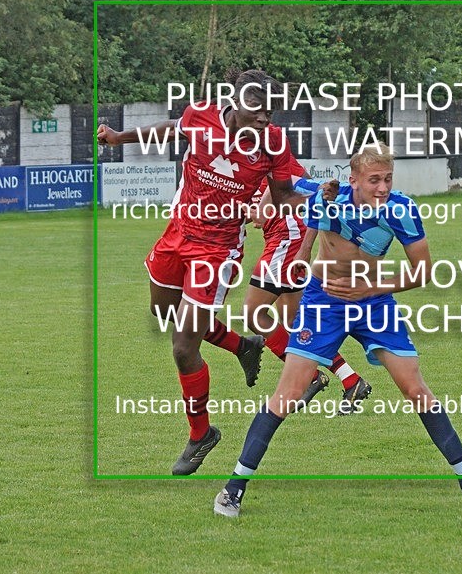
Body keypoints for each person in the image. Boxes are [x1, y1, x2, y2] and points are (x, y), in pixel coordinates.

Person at [213, 148, 462, 517]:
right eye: (374, 180)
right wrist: (266, 212)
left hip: (374, 303)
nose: (382, 187)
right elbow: (281, 182)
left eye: (387, 179)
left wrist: (372, 289)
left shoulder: (401, 210)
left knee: (415, 389)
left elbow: (423, 272)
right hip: (324, 302)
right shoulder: (327, 193)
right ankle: (233, 489)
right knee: (287, 394)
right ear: (354, 180)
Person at [97, 68, 324, 475]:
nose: (265, 119)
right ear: (234, 103)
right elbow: (171, 128)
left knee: (184, 346)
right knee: (163, 311)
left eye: (271, 111)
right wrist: (119, 138)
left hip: (216, 251)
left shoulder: (272, 143)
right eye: (257, 109)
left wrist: (317, 196)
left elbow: (289, 189)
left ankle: (200, 434)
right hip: (177, 233)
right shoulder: (203, 116)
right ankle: (242, 346)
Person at [242, 162, 372, 412]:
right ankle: (351, 379)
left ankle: (310, 376)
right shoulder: (245, 158)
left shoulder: (271, 152)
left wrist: (303, 245)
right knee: (295, 323)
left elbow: (309, 196)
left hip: (286, 238)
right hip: (286, 238)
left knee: (252, 313)